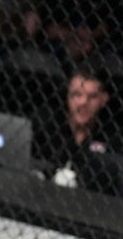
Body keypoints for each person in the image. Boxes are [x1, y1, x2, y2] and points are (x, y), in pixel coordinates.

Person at [33, 63, 121, 196]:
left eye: (92, 97)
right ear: (67, 95)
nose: (83, 103)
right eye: (77, 95)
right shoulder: (46, 125)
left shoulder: (114, 139)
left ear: (104, 99)